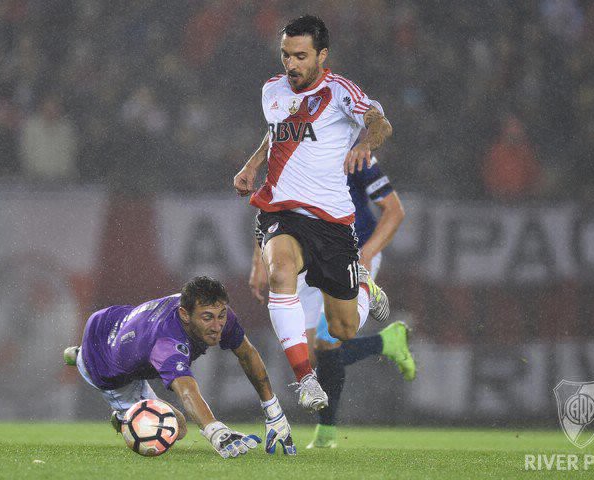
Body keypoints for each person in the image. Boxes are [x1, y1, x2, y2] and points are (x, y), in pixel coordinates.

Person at [233, 15, 393, 413]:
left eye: (301, 56)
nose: (292, 64)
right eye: (286, 55)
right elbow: (277, 132)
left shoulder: (340, 92)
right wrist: (253, 166)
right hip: (282, 210)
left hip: (332, 222)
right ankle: (306, 379)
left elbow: (379, 122)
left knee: (343, 329)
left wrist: (363, 143)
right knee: (280, 274)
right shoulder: (271, 89)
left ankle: (363, 285)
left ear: (322, 55)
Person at [251, 153, 415, 449]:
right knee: (310, 354)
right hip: (309, 248)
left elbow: (394, 211)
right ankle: (386, 341)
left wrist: (364, 256)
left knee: (330, 342)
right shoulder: (293, 142)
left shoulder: (357, 155)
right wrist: (258, 260)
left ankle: (326, 433)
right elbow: (270, 202)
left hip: (349, 252)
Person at [63, 276, 296, 458]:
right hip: (105, 363)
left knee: (174, 423)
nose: (217, 326)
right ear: (185, 315)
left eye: (221, 315)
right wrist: (215, 431)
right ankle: (94, 376)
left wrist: (273, 411)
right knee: (177, 429)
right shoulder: (167, 342)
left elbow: (247, 354)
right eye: (208, 318)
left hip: (117, 320)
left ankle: (76, 354)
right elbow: (186, 390)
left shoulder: (214, 312)